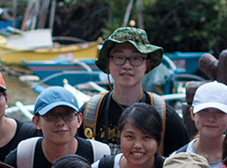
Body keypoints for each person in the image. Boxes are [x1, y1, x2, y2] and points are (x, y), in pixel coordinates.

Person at [79, 27, 189, 155]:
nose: (127, 65)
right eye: (119, 57)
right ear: (108, 62)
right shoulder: (90, 113)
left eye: (136, 58)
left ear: (147, 64)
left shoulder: (164, 116)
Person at [6, 87, 113, 168]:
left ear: (79, 119)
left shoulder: (99, 155)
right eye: (51, 116)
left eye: (68, 115)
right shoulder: (24, 156)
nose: (60, 123)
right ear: (36, 122)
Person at [177, 81, 227, 168]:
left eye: (219, 112)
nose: (211, 119)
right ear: (192, 113)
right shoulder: (178, 159)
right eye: (204, 111)